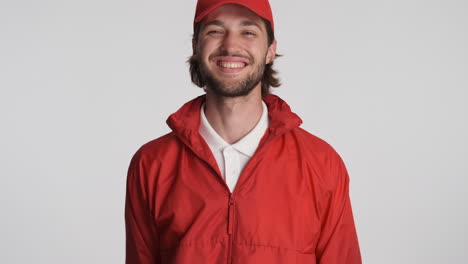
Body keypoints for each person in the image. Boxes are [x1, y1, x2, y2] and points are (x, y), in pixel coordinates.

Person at [125, 0, 362, 263]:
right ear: (196, 46)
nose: (230, 46)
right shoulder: (152, 163)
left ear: (270, 50)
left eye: (248, 32)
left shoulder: (321, 163)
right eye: (215, 31)